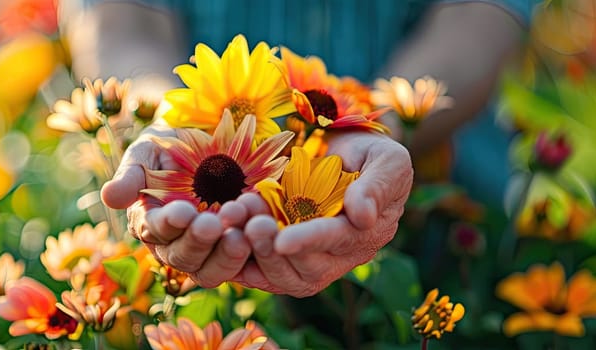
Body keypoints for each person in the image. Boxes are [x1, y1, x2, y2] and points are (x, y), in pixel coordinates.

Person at [61, 0, 533, 297]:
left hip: (457, 238)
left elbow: (477, 20)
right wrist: (173, 119)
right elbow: (123, 24)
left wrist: (374, 125)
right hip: (212, 200)